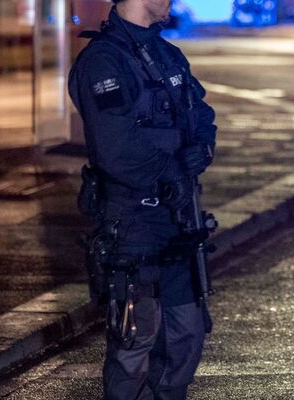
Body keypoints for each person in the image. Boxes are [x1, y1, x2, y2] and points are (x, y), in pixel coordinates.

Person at [67, 0, 216, 397]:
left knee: (186, 337)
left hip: (179, 222)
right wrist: (170, 171)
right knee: (134, 346)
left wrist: (202, 148)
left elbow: (201, 114)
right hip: (132, 224)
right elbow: (113, 147)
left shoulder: (166, 54)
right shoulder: (103, 62)